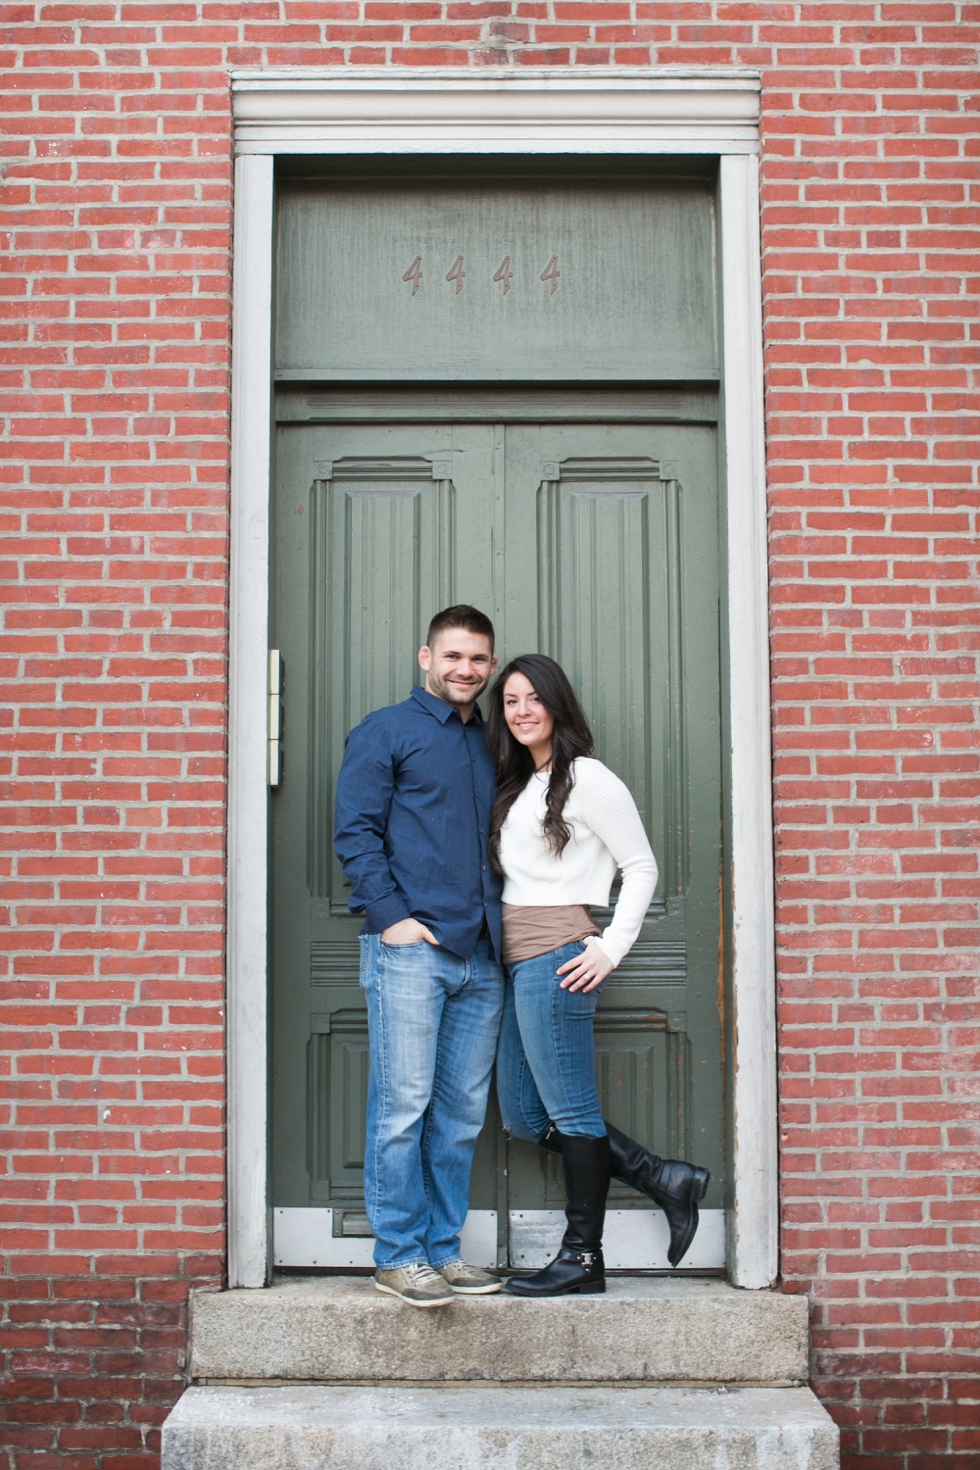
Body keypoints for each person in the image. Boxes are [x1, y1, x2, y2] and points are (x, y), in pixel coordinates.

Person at [487, 653, 710, 1297]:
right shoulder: (520, 782)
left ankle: (583, 1258)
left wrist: (611, 948)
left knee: (574, 1110)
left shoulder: (588, 778)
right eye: (511, 701)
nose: (522, 710)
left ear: (558, 705)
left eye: (534, 698)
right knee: (528, 1116)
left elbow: (640, 866)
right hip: (516, 960)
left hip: (560, 954)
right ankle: (663, 1177)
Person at [334, 605, 505, 1309]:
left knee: (460, 1116)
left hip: (483, 955)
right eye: (454, 656)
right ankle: (398, 1255)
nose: (466, 670)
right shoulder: (387, 731)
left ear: (490, 667)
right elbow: (355, 829)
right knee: (402, 1109)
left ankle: (441, 1249)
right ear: (425, 658)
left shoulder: (491, 743)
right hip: (410, 949)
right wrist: (393, 919)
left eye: (479, 659)